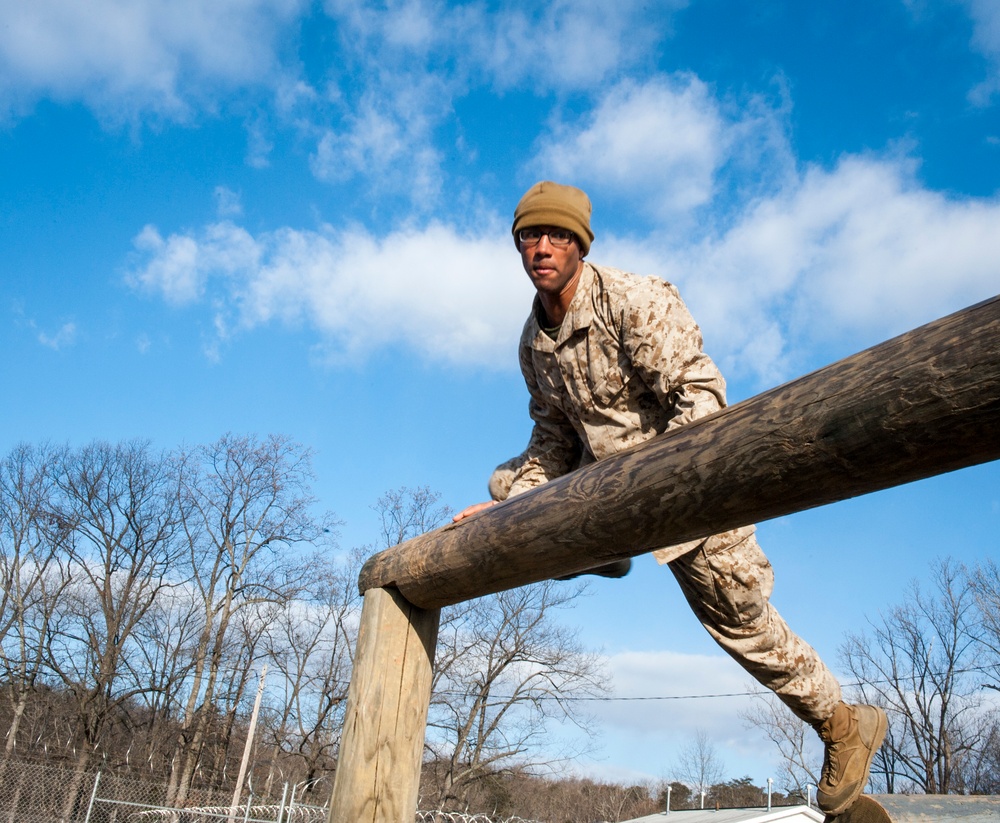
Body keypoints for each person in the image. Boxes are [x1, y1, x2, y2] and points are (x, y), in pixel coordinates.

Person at [453, 181, 887, 816]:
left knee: (743, 626)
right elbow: (552, 437)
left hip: (688, 490)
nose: (542, 248)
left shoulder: (632, 300)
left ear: (581, 245)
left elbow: (702, 396)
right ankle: (598, 545)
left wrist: (654, 492)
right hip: (603, 485)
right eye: (530, 237)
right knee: (504, 485)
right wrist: (511, 512)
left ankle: (844, 725)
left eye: (558, 236)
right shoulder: (533, 342)